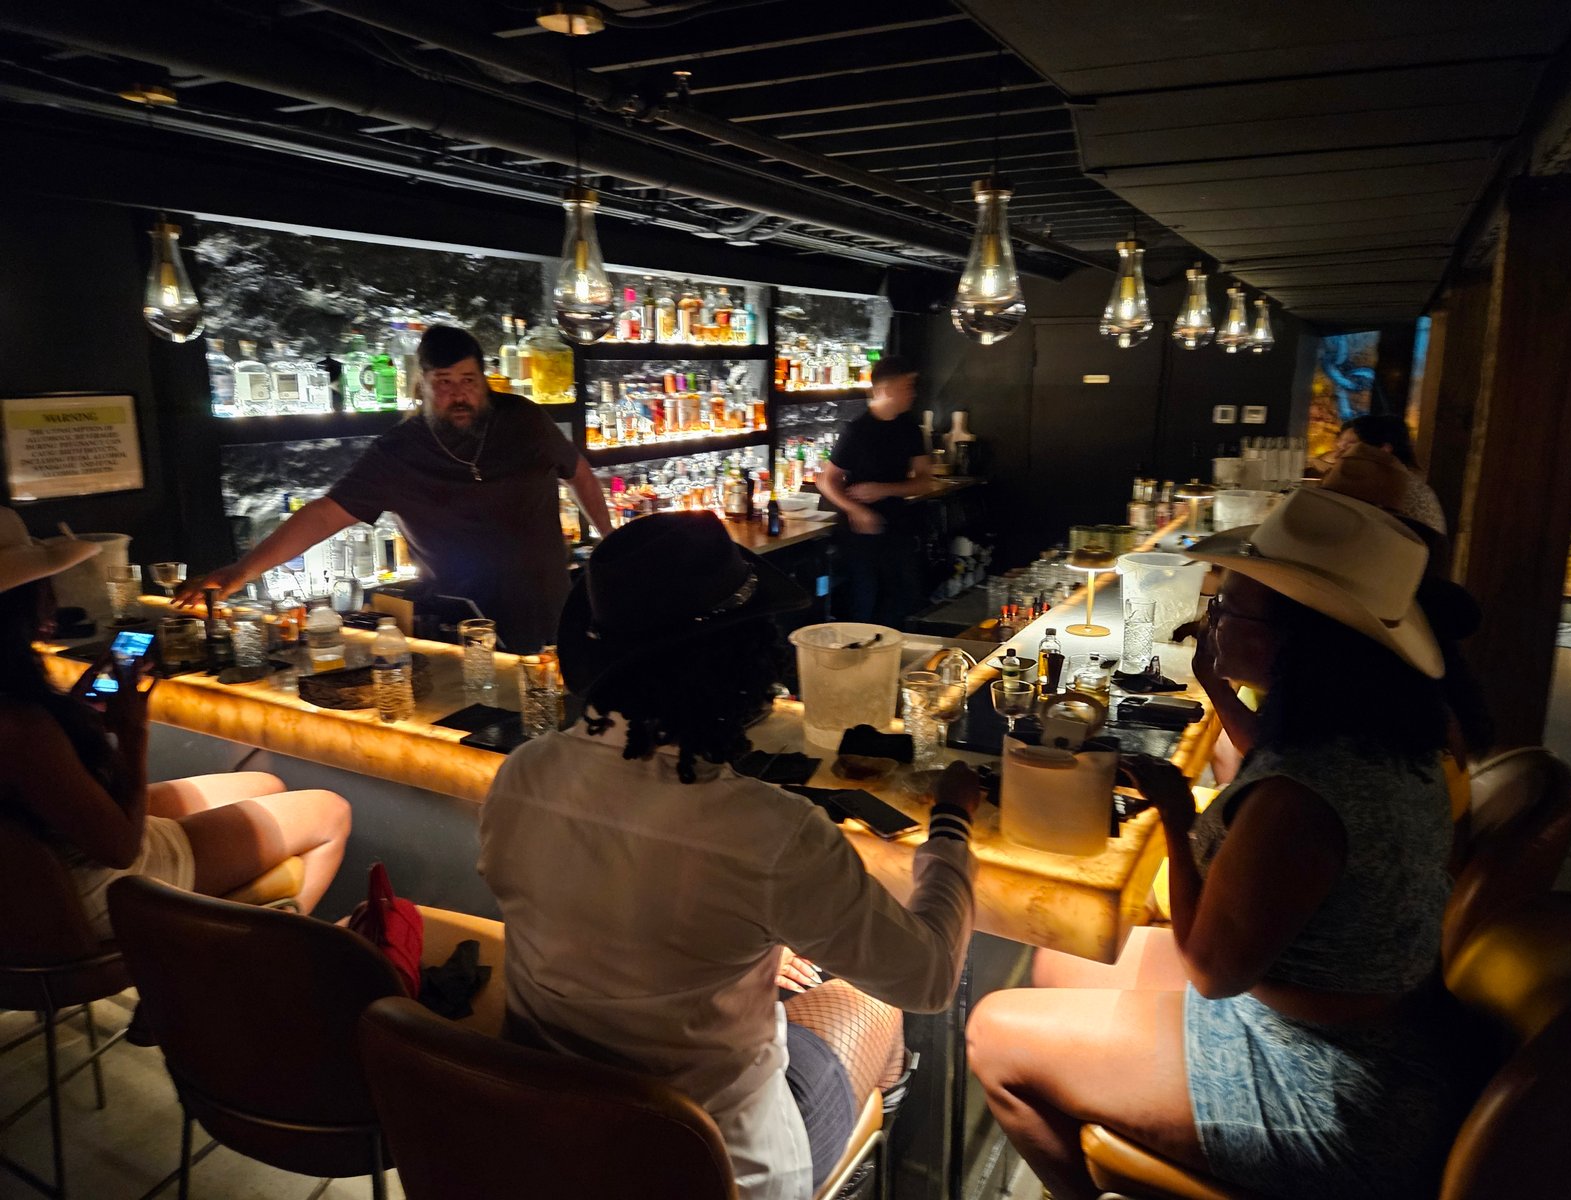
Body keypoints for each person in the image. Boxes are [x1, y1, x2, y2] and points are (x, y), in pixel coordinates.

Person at [967, 487, 1467, 1200]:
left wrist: (1174, 813)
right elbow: (1270, 764)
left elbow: (1210, 968)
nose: (1210, 619)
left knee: (994, 1033)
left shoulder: (1302, 803)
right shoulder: (1377, 731)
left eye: (1227, 608)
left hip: (1335, 1090)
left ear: (1292, 641)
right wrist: (1217, 686)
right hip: (1360, 1028)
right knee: (1060, 961)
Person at [478, 511, 977, 1200]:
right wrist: (951, 825)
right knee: (878, 1006)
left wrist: (752, 950)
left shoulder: (523, 775)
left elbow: (617, 913)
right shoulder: (771, 832)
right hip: (716, 1170)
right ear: (745, 662)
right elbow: (927, 978)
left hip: (556, 1143)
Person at [0, 508, 351, 936]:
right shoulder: (20, 726)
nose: (52, 597)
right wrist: (132, 735)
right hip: (82, 899)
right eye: (43, 584)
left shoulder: (19, 711)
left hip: (34, 883)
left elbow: (41, 785)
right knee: (330, 812)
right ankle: (248, 967)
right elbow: (121, 848)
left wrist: (76, 716)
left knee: (266, 784)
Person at [181, 325, 613, 652]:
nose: (459, 395)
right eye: (444, 382)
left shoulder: (525, 421)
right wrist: (242, 572)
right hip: (458, 624)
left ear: (483, 380)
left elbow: (579, 473)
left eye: (468, 380)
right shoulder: (399, 453)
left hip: (550, 611)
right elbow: (325, 514)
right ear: (420, 385)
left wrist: (610, 541)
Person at [816, 355, 934, 628]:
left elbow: (926, 480)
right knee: (864, 607)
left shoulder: (910, 428)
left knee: (903, 602)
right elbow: (827, 479)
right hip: (861, 536)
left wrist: (884, 489)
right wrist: (856, 509)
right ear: (885, 389)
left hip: (898, 529)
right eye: (907, 386)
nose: (913, 393)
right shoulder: (857, 431)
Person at [1336, 412, 1447, 537]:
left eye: (1350, 445)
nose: (1339, 453)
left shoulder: (1388, 484)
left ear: (1383, 450)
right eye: (1340, 444)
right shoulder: (1404, 480)